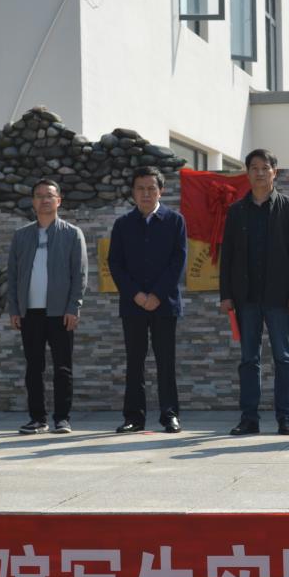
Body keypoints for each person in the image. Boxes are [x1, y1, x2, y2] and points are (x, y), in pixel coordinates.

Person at [219, 149, 289, 436]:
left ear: (274, 172)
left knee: (283, 358)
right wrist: (226, 294)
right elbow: (227, 256)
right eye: (254, 168)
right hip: (246, 298)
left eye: (265, 167)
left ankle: (286, 418)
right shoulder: (236, 211)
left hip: (279, 298)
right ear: (247, 173)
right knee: (249, 360)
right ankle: (249, 419)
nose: (259, 173)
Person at [108, 167, 187, 434]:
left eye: (151, 188)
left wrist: (156, 295)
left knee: (166, 361)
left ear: (160, 191)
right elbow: (115, 264)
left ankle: (170, 415)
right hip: (133, 305)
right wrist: (137, 295)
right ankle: (134, 417)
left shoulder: (175, 221)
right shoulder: (123, 224)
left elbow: (178, 261)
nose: (146, 193)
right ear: (133, 192)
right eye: (140, 188)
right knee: (135, 362)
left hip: (165, 304)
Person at [6, 179, 87, 435]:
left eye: (49, 195)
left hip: (60, 312)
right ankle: (37, 419)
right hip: (30, 313)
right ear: (33, 201)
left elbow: (80, 275)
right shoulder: (21, 236)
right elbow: (13, 275)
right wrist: (14, 309)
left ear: (58, 200)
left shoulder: (72, 234)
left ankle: (62, 419)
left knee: (63, 368)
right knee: (34, 368)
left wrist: (73, 307)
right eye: (39, 195)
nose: (44, 200)